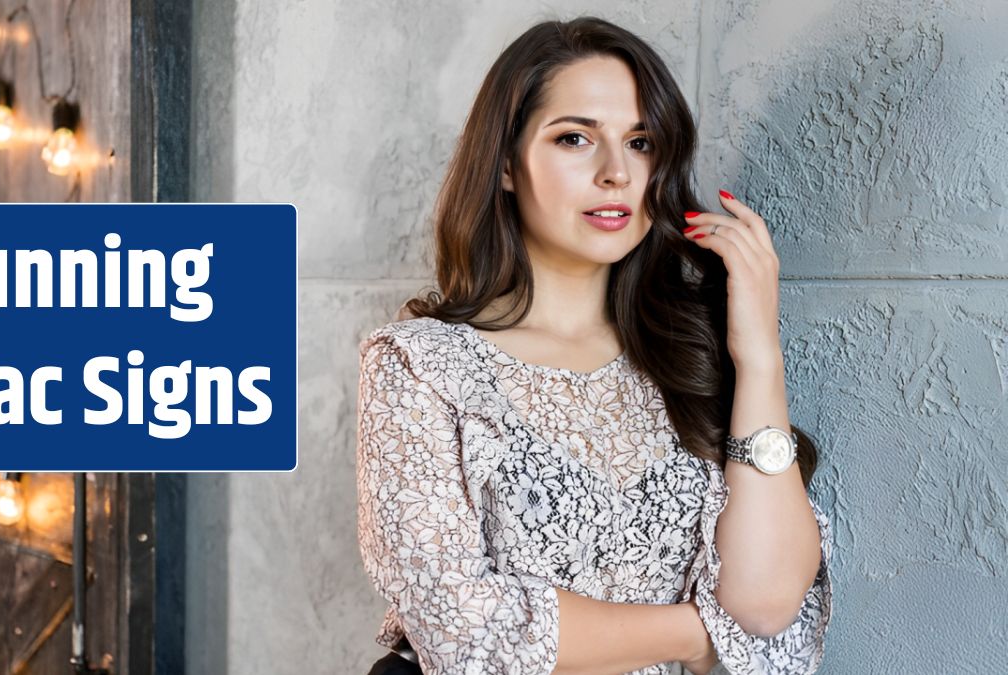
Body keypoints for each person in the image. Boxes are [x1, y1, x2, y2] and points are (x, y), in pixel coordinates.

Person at [355, 16, 833, 675]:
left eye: (640, 142)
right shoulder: (422, 366)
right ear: (505, 167)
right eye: (575, 137)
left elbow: (767, 611)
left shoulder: (693, 361)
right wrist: (700, 635)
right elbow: (466, 635)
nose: (615, 172)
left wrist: (759, 355)